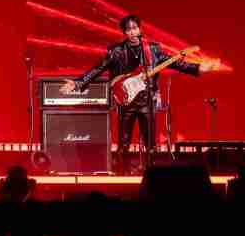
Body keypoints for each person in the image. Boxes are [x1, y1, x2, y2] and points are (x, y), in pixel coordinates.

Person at [59, 15, 218, 173]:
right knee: (124, 143)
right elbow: (98, 68)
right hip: (126, 101)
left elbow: (175, 63)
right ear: (124, 32)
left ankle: (151, 175)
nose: (132, 32)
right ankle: (122, 172)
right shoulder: (116, 51)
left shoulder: (152, 49)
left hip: (146, 100)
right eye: (128, 30)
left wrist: (197, 68)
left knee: (151, 145)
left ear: (140, 29)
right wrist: (78, 83)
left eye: (135, 28)